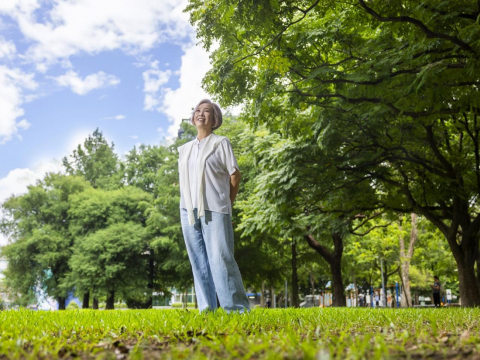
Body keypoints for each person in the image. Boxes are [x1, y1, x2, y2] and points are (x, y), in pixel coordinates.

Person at [178, 99, 250, 313]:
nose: (201, 113)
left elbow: (235, 174)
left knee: (221, 259)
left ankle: (236, 309)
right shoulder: (184, 149)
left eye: (207, 111)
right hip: (188, 210)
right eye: (197, 110)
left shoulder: (221, 143)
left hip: (215, 208)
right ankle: (207, 310)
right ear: (193, 118)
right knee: (198, 262)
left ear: (214, 119)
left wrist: (227, 202)